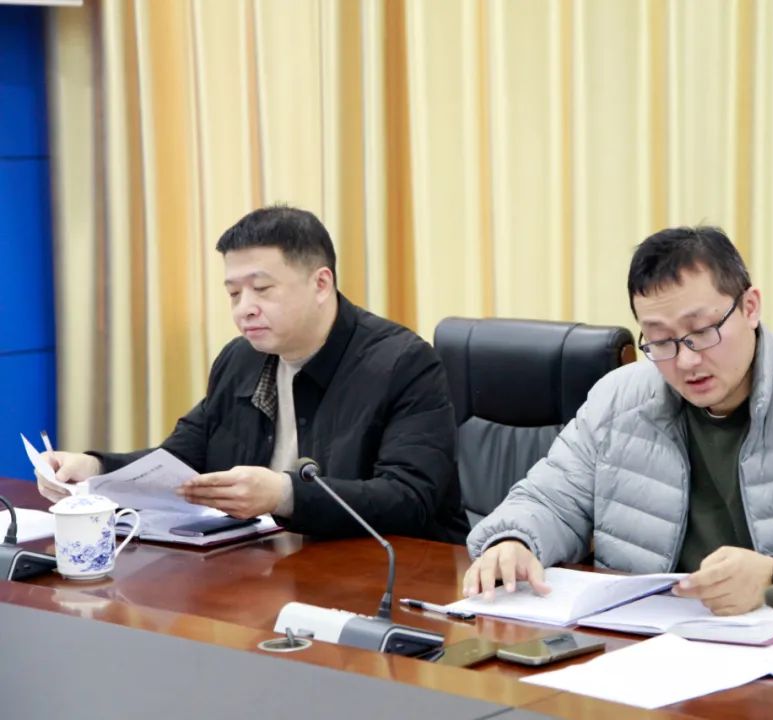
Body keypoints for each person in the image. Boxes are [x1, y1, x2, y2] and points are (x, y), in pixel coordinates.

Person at [463, 226, 773, 619]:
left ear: (750, 307)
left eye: (701, 331)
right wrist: (514, 540)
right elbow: (548, 500)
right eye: (660, 341)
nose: (686, 360)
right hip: (652, 649)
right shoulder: (617, 398)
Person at [37, 205, 469, 543]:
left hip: (392, 576)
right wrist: (95, 468)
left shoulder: (403, 363)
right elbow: (181, 460)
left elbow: (409, 499)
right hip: (273, 570)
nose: (244, 308)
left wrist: (284, 495)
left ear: (321, 284)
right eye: (233, 293)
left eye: (262, 289)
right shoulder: (240, 359)